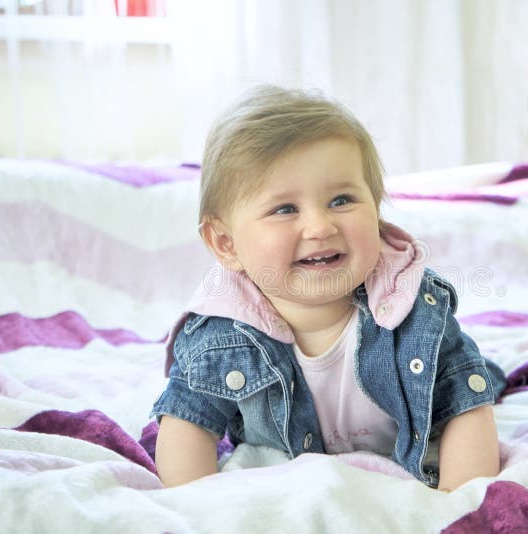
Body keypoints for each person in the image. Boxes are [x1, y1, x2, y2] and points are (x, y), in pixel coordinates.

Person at [151, 85, 507, 491]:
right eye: (285, 209)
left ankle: (495, 369)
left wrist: (459, 504)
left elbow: (465, 404)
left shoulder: (413, 311)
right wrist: (195, 506)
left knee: (478, 376)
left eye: (341, 200)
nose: (320, 227)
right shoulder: (219, 336)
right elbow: (186, 424)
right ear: (226, 244)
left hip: (410, 423)